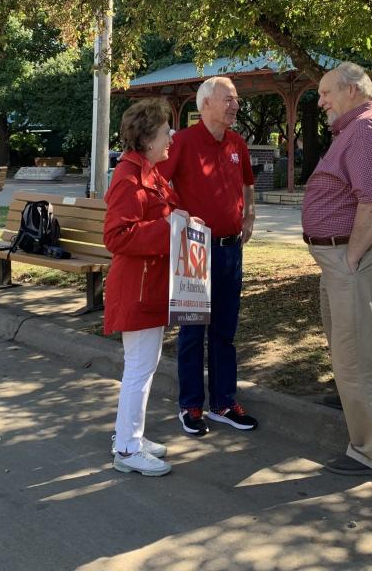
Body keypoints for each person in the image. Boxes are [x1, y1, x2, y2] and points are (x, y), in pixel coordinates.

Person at [301, 62, 372, 476]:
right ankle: (362, 422)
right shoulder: (363, 125)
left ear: (351, 90)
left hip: (359, 255)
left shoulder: (365, 128)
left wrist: (350, 260)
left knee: (356, 355)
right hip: (351, 256)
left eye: (327, 92)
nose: (321, 100)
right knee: (347, 345)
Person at [158, 75, 258, 436]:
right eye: (228, 99)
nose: (235, 105)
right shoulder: (182, 143)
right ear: (205, 105)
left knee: (225, 330)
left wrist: (249, 214)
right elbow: (157, 184)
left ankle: (223, 402)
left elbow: (248, 183)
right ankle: (190, 405)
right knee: (192, 331)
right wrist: (175, 218)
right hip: (195, 249)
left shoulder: (237, 143)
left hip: (231, 250)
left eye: (235, 100)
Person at [103, 98, 191, 477]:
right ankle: (126, 447)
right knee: (139, 367)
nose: (171, 135)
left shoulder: (147, 172)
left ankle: (130, 436)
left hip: (147, 286)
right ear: (147, 138)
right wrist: (169, 227)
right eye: (165, 130)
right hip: (137, 289)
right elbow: (116, 236)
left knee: (143, 365)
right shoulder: (129, 176)